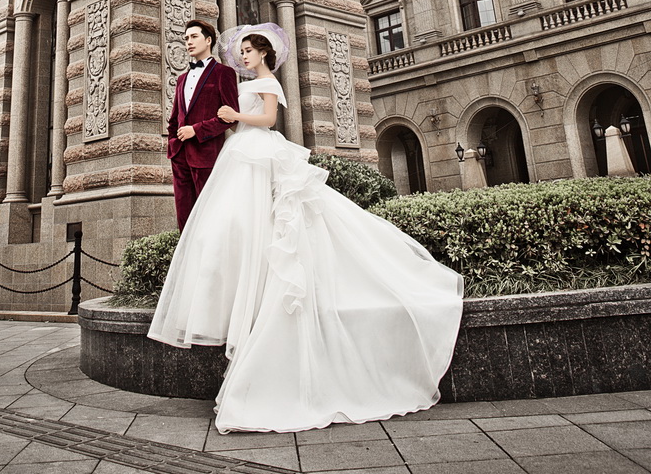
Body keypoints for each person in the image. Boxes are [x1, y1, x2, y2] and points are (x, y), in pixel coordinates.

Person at [149, 22, 463, 434]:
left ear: (263, 53)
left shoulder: (268, 83)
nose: (243, 56)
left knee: (274, 219)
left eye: (249, 50)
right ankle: (244, 291)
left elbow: (267, 119)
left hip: (257, 150)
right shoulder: (237, 82)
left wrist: (233, 115)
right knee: (233, 225)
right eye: (241, 51)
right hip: (236, 153)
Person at [166, 19, 240, 231]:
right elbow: (175, 117)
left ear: (208, 40)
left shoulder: (223, 73)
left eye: (194, 37)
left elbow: (230, 117)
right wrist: (172, 144)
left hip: (206, 154)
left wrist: (195, 130)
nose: (188, 42)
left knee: (209, 216)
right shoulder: (182, 79)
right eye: (186, 38)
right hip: (180, 156)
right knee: (185, 221)